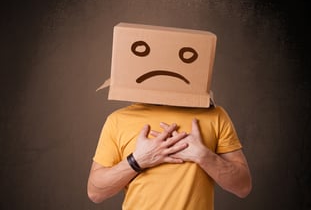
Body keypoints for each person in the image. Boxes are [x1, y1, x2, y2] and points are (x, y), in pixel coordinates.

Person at [87, 22, 252, 210]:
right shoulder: (118, 120)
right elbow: (95, 192)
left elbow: (243, 186)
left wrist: (203, 156)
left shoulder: (215, 116)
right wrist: (138, 160)